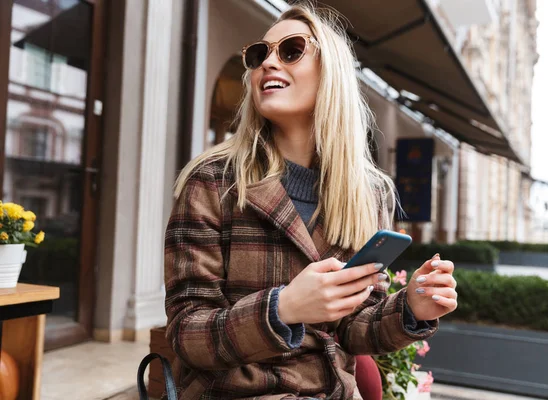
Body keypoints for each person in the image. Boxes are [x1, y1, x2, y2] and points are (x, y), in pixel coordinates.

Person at [164, 3, 458, 399]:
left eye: (290, 50)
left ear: (330, 72)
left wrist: (411, 308)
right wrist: (282, 309)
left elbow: (354, 327)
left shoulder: (370, 193)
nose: (268, 62)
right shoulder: (213, 181)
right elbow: (187, 334)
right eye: (259, 54)